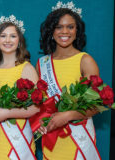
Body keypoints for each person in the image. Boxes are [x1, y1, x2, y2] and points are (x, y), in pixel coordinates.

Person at [37, 2, 101, 159]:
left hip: (78, 138)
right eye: (59, 27)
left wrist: (67, 115)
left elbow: (97, 106)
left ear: (77, 31)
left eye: (70, 27)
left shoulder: (85, 60)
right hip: (52, 139)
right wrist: (39, 123)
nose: (64, 31)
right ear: (51, 31)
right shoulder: (42, 63)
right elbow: (40, 105)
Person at [0, 15, 39, 160]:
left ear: (19, 42)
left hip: (19, 137)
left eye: (13, 36)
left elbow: (36, 107)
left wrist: (6, 113)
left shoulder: (27, 68)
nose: (8, 40)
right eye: (3, 36)